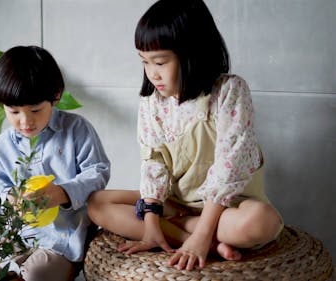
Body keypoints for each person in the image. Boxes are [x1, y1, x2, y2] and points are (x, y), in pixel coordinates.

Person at [87, 0, 283, 272]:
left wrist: (204, 231)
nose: (152, 73)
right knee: (97, 204)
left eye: (160, 61)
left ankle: (195, 233)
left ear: (193, 53)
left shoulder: (229, 91)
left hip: (226, 209)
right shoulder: (152, 102)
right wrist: (152, 222)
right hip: (173, 204)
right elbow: (154, 163)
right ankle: (197, 240)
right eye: (144, 62)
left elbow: (231, 164)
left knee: (262, 222)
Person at [0, 45, 110, 281]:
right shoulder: (3, 146)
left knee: (36, 274)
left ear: (55, 97)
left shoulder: (77, 129)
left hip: (62, 237)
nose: (25, 121)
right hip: (12, 235)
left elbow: (98, 172)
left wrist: (63, 192)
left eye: (35, 110)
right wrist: (9, 199)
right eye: (14, 112)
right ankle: (8, 268)